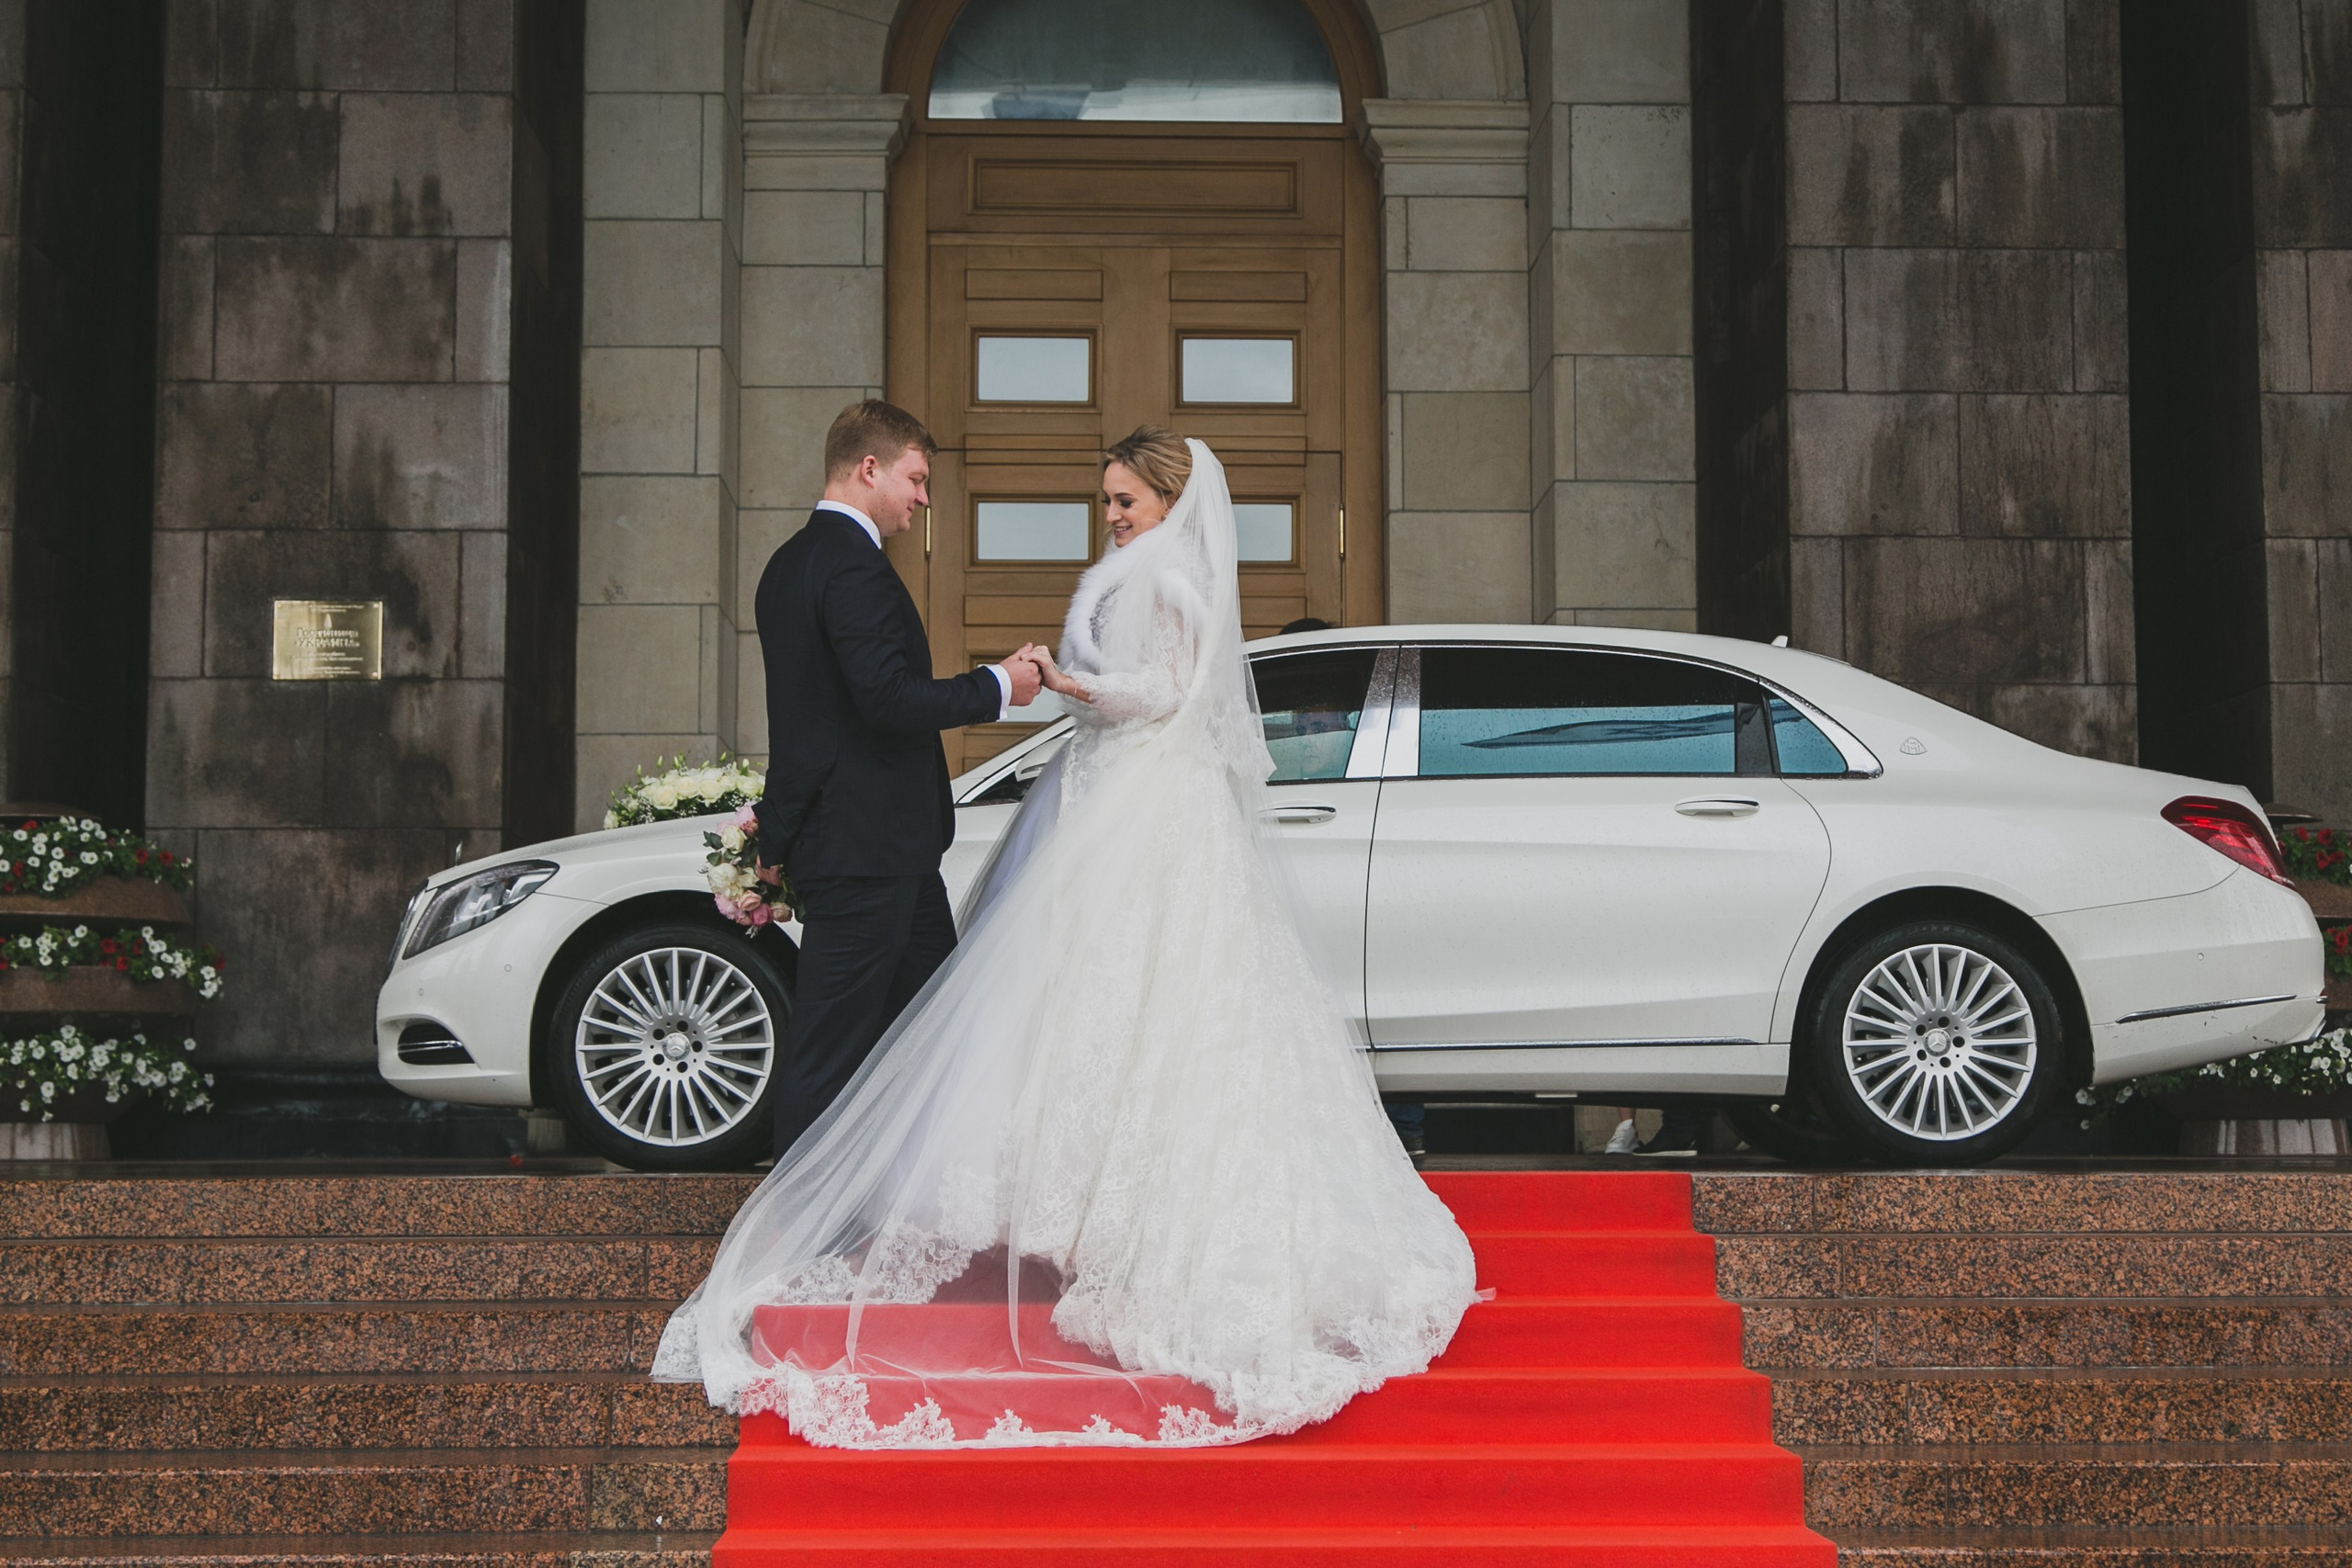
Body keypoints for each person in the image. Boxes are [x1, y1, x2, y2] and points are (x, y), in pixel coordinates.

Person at [654, 427, 1477, 1449]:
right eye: (1109, 501)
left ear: (1170, 502)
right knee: (1020, 1010)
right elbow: (866, 702)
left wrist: (1067, 688)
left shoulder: (1167, 585)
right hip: (1063, 808)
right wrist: (1028, 689)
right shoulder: (878, 567)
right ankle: (877, 1216)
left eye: (1126, 499)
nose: (1113, 513)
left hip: (1140, 814)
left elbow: (1171, 695)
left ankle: (983, 1220)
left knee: (1139, 1004)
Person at [744, 400, 1044, 1153]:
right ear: (869, 468)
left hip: (883, 855)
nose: (924, 497)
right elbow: (886, 698)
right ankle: (792, 1234)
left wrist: (776, 833)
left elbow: (806, 721)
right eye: (916, 477)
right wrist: (999, 685)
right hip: (866, 854)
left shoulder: (788, 564)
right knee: (832, 1048)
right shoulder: (853, 565)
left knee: (934, 1031)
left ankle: (915, 1207)